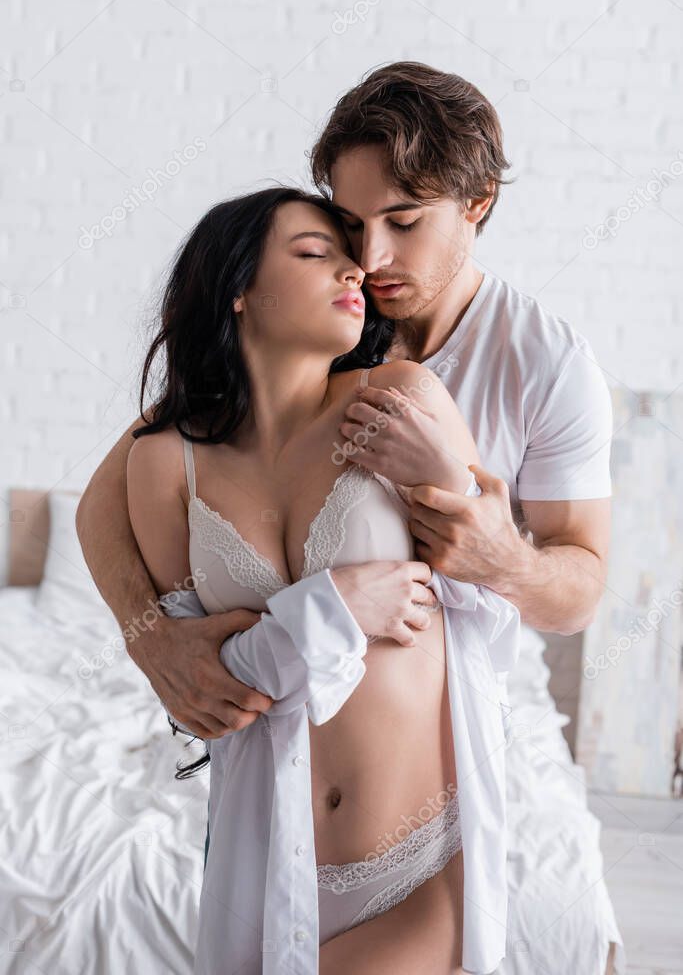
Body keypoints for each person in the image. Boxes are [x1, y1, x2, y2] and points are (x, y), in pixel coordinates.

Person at [77, 61, 623, 973]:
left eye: (402, 224)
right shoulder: (271, 364)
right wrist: (150, 640)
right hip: (271, 811)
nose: (366, 261)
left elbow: (577, 591)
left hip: (423, 803)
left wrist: (496, 556)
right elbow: (109, 499)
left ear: (477, 201)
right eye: (345, 225)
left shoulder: (542, 363)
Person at [124, 185, 520, 974]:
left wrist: (450, 477)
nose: (353, 272)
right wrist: (334, 608)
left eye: (350, 259)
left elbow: (489, 600)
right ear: (236, 290)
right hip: (267, 863)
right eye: (315, 255)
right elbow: (205, 692)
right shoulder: (166, 461)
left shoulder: (397, 399)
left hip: (421, 859)